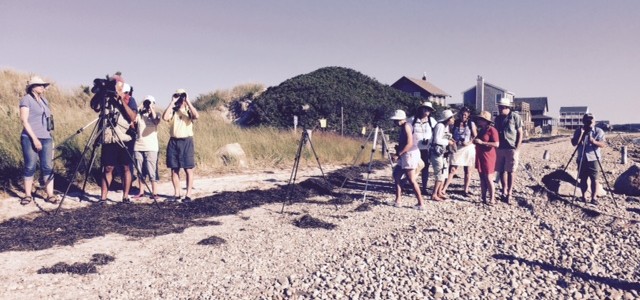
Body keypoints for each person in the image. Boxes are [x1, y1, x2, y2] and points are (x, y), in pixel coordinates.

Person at [19, 76, 58, 205]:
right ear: (32, 87)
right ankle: (27, 195)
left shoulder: (44, 101)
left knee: (47, 166)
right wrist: (35, 139)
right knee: (30, 166)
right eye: (40, 85)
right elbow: (24, 120)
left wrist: (50, 136)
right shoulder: (26, 99)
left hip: (46, 137)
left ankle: (50, 194)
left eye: (43, 85)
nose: (42, 87)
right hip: (30, 137)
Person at [99, 81, 138, 204]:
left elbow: (132, 117)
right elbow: (95, 107)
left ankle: (125, 196)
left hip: (125, 137)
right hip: (109, 137)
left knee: (126, 167)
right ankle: (103, 197)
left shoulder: (130, 100)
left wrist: (122, 102)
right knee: (108, 167)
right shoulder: (107, 100)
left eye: (121, 90)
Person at [162, 88, 200, 203]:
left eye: (181, 96)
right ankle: (177, 193)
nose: (180, 98)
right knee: (174, 169)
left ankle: (188, 194)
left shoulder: (188, 110)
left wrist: (187, 101)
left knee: (188, 169)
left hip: (186, 141)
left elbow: (196, 116)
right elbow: (164, 118)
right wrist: (172, 102)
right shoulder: (173, 110)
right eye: (177, 95)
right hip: (174, 141)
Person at [390, 109, 425, 209]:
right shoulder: (405, 126)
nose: (395, 122)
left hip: (410, 154)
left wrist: (398, 155)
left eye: (396, 120)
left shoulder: (406, 126)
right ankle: (398, 200)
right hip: (406, 154)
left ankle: (421, 203)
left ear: (401, 119)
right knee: (396, 174)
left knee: (411, 179)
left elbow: (409, 144)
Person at [571, 113, 606, 205]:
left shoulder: (599, 131)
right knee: (583, 178)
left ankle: (593, 198)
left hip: (593, 158)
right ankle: (583, 196)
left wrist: (593, 141)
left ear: (594, 121)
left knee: (594, 179)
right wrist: (582, 133)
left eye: (591, 120)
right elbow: (574, 143)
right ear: (583, 121)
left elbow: (602, 144)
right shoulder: (579, 131)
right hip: (581, 158)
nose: (589, 122)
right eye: (587, 120)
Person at [442, 107, 477, 196]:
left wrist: (469, 142)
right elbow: (448, 134)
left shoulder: (471, 123)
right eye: (462, 114)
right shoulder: (455, 123)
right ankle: (444, 189)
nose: (463, 116)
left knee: (467, 170)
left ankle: (465, 190)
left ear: (468, 115)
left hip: (467, 148)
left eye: (465, 114)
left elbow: (475, 136)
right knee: (452, 169)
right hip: (457, 147)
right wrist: (453, 141)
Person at [494, 97, 523, 204]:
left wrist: (517, 147)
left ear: (507, 107)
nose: (500, 109)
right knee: (501, 170)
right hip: (500, 147)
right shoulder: (497, 119)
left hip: (511, 147)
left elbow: (520, 133)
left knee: (511, 170)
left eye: (501, 107)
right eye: (499, 107)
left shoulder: (515, 117)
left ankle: (510, 192)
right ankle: (504, 190)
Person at [133, 95, 161, 200]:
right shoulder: (139, 115)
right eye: (146, 103)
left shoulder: (156, 114)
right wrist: (140, 106)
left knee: (152, 171)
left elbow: (156, 120)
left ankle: (155, 192)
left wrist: (151, 109)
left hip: (151, 147)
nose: (147, 105)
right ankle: (141, 191)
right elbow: (133, 120)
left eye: (149, 103)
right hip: (138, 146)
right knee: (140, 171)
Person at [473, 111, 500, 205]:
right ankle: (483, 197)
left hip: (489, 156)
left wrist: (482, 143)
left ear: (485, 121)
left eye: (481, 119)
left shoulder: (492, 130)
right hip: (480, 155)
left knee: (488, 177)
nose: (479, 120)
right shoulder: (482, 130)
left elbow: (496, 144)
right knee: (482, 177)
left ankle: (492, 198)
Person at [411, 101, 437, 194]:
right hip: (414, 148)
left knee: (425, 168)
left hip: (426, 148)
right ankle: (412, 185)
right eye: (425, 109)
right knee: (413, 167)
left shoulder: (432, 121)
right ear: (421, 109)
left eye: (429, 110)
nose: (427, 111)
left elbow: (436, 133)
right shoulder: (412, 120)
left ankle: (424, 188)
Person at [430, 109, 456, 201]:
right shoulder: (440, 126)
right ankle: (434, 194)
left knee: (444, 173)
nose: (454, 119)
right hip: (437, 152)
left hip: (443, 153)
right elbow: (437, 140)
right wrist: (448, 142)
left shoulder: (446, 126)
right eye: (452, 117)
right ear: (448, 118)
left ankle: (439, 191)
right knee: (439, 173)